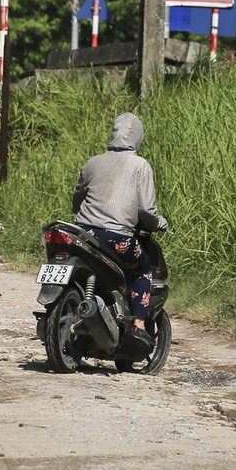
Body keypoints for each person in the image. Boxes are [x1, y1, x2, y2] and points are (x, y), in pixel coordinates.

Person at [71, 112, 168, 343]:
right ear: (137, 138)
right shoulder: (140, 166)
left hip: (83, 235)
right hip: (117, 237)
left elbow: (76, 202)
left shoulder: (92, 162)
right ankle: (138, 324)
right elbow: (146, 211)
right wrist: (160, 223)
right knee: (143, 270)